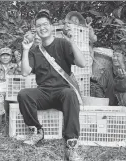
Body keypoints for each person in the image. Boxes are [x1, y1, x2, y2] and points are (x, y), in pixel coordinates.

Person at [17, 9, 85, 160]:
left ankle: (71, 143)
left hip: (62, 92)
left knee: (69, 93)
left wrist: (72, 41)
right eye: (39, 25)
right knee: (24, 94)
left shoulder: (62, 44)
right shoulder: (34, 50)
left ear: (52, 26)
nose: (43, 27)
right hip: (44, 93)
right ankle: (37, 131)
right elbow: (25, 72)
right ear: (36, 29)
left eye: (45, 24)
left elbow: (82, 63)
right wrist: (25, 50)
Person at [95, 49, 126, 121]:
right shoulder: (108, 71)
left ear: (125, 58)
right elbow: (99, 87)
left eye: (117, 56)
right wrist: (102, 102)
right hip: (114, 104)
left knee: (125, 96)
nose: (114, 58)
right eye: (113, 56)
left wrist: (122, 78)